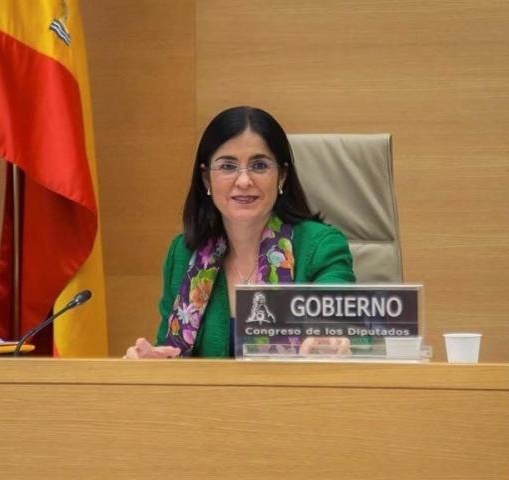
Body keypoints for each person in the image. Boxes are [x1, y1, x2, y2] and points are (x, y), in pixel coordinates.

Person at [125, 106, 355, 359]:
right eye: (227, 166)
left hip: (296, 386)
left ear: (281, 176)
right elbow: (169, 351)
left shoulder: (319, 245)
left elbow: (341, 315)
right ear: (206, 179)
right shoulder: (183, 253)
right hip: (206, 388)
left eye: (259, 165)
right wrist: (153, 361)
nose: (244, 181)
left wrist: (332, 334)